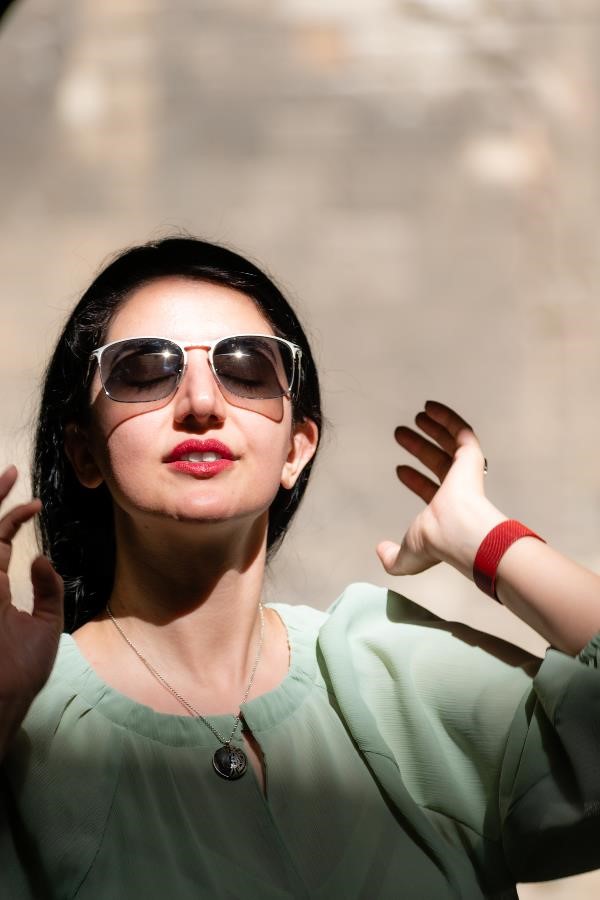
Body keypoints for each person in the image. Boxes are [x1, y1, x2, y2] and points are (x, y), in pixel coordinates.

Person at [0, 236, 599, 899]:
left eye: (246, 369)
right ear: (84, 454)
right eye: (145, 370)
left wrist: (486, 539)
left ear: (296, 449)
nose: (202, 401)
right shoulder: (27, 719)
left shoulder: (388, 669)